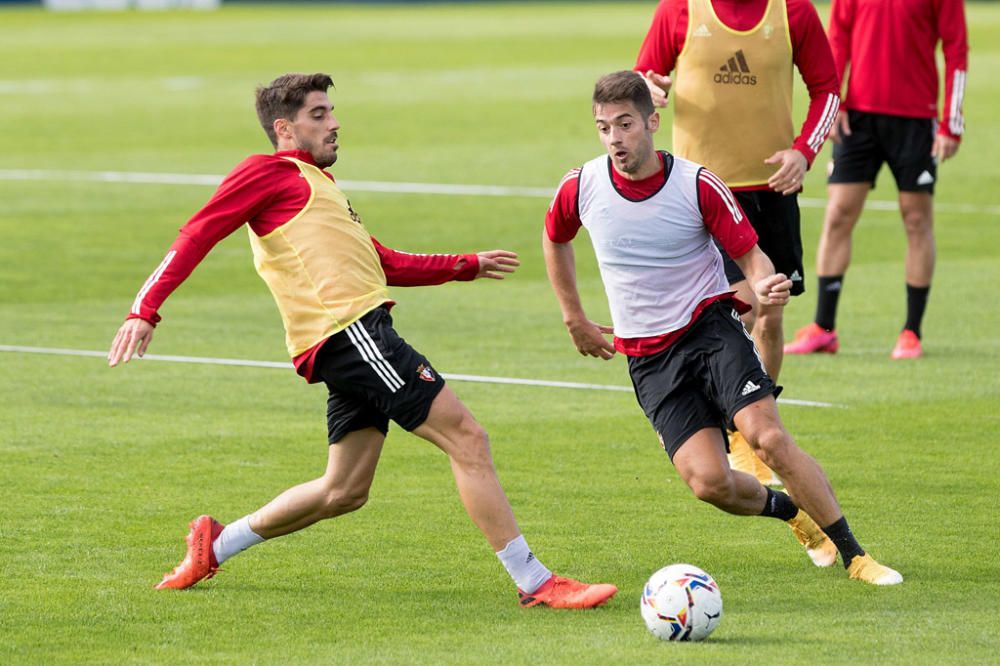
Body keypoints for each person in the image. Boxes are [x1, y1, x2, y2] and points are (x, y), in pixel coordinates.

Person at [107, 72, 618, 609]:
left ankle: (218, 542)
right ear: (285, 128)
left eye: (332, 112)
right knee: (467, 438)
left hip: (348, 340)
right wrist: (145, 309)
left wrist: (465, 265)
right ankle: (536, 582)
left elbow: (382, 262)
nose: (335, 123)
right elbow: (197, 233)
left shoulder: (318, 185)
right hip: (351, 334)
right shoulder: (267, 173)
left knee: (344, 490)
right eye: (320, 114)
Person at [543, 71, 901, 585]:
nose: (615, 139)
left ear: (652, 121)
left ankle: (855, 556)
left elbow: (752, 259)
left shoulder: (695, 183)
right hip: (648, 357)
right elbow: (554, 237)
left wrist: (766, 285)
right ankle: (793, 516)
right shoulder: (583, 186)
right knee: (710, 483)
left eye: (625, 124)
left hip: (709, 330)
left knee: (768, 438)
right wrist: (573, 316)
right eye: (604, 128)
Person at [636, 0, 840, 483]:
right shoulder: (680, 10)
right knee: (739, 307)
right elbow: (641, 78)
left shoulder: (793, 12)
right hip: (702, 191)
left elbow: (828, 90)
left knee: (770, 315)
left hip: (771, 192)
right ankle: (730, 429)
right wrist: (651, 87)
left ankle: (749, 431)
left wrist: (804, 152)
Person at [785, 0, 968, 359]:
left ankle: (911, 332)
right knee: (838, 214)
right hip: (858, 119)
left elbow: (956, 46)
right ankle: (823, 329)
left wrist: (951, 121)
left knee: (916, 219)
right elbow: (837, 37)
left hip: (916, 119)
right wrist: (833, 102)